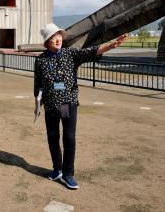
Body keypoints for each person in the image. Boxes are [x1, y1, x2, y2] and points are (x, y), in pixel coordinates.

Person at [34, 23, 127, 190]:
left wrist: (111, 46)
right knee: (52, 138)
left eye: (59, 35)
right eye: (54, 37)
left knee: (69, 138)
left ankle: (68, 174)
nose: (58, 39)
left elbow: (92, 52)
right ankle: (57, 169)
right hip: (50, 106)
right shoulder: (40, 60)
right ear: (47, 41)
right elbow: (37, 84)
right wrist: (37, 103)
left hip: (67, 103)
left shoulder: (70, 55)